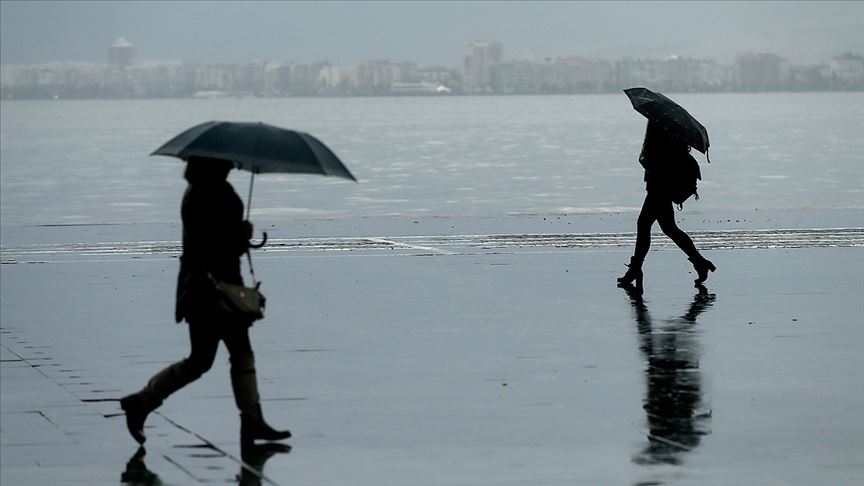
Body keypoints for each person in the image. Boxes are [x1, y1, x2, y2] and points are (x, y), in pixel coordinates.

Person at [120, 156, 290, 447]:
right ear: (213, 165)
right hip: (212, 290)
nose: (233, 165)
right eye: (226, 162)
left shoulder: (203, 190)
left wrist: (238, 237)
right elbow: (213, 246)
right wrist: (241, 236)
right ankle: (250, 421)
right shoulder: (208, 194)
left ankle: (145, 401)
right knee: (221, 356)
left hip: (205, 289)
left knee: (212, 357)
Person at [618, 121, 716, 288]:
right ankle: (700, 262)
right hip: (661, 186)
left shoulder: (659, 129)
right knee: (669, 228)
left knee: (645, 224)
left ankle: (636, 269)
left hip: (659, 186)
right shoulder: (672, 130)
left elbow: (655, 161)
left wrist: (646, 157)